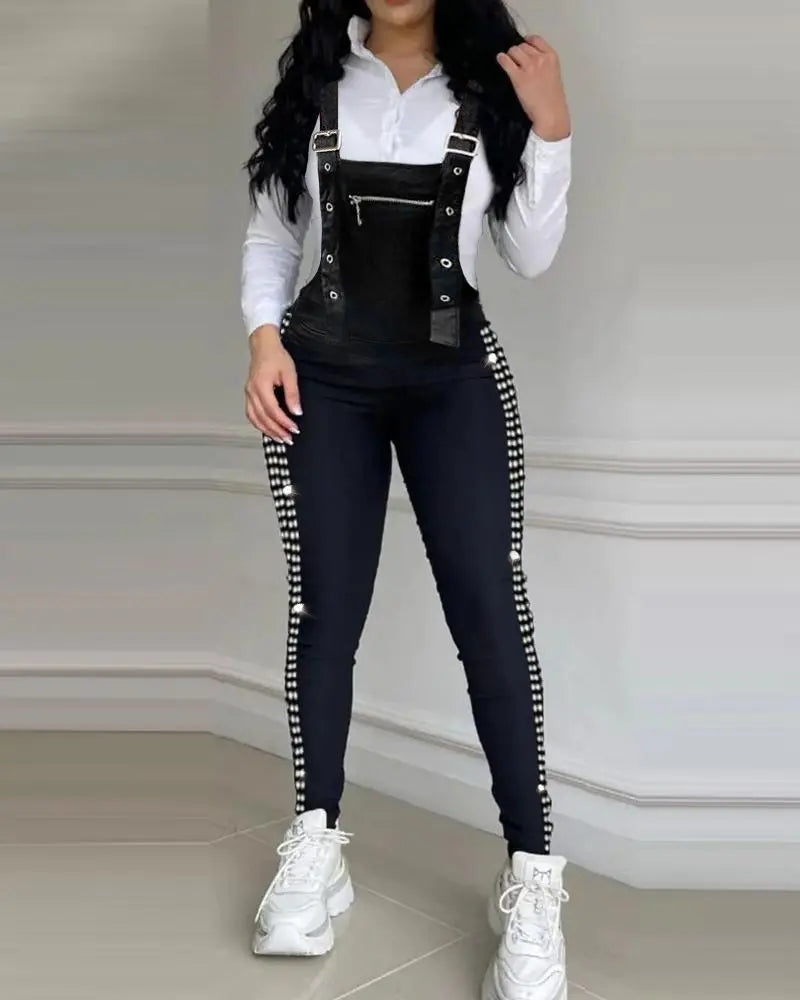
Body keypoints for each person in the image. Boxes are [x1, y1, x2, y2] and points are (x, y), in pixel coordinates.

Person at [241, 2, 572, 998]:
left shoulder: (489, 90)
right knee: (324, 610)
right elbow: (272, 231)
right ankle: (315, 842)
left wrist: (551, 126)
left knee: (489, 614)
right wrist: (263, 339)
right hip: (322, 380)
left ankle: (531, 878)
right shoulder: (315, 84)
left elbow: (530, 256)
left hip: (452, 381)